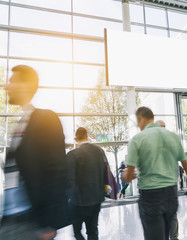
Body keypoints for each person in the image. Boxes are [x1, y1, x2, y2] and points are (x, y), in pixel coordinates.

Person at [0, 65, 71, 239]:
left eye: (12, 81)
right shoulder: (20, 123)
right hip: (10, 220)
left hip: (31, 223)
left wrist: (49, 223)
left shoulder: (46, 119)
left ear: (25, 85)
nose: (6, 86)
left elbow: (57, 170)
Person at [123, 107, 187, 240]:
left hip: (150, 197)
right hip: (171, 194)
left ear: (141, 119)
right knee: (168, 233)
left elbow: (129, 177)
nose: (137, 125)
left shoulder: (137, 139)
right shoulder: (173, 137)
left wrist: (124, 175)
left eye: (137, 121)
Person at [67, 127, 108, 240]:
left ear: (76, 139)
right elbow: (105, 173)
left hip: (79, 201)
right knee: (93, 230)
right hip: (97, 199)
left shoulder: (72, 155)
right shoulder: (99, 151)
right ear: (87, 135)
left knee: (77, 232)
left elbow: (70, 179)